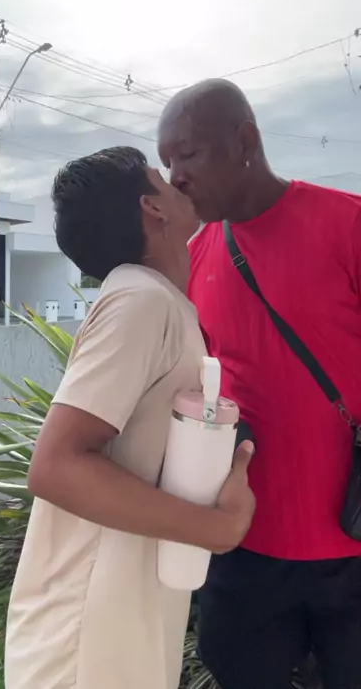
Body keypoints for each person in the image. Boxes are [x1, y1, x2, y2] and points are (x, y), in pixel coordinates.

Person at [5, 146, 255, 689]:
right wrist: (217, 527)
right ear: (153, 208)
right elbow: (55, 466)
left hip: (116, 615)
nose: (178, 181)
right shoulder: (140, 301)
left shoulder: (155, 300)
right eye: (162, 178)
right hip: (89, 633)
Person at [158, 78, 361, 689]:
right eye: (166, 162)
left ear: (244, 141)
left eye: (188, 154)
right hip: (244, 551)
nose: (175, 177)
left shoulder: (346, 224)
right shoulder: (194, 257)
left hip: (355, 542)